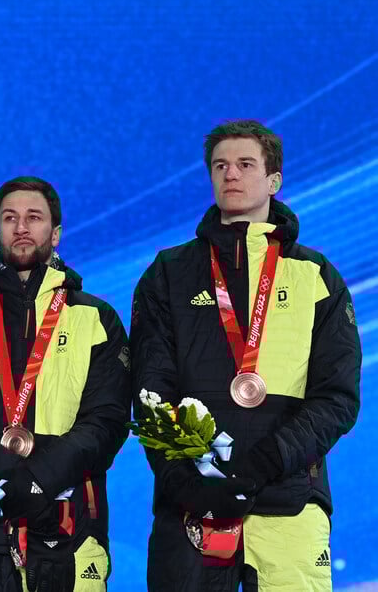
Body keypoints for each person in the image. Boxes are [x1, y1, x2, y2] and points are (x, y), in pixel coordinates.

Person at [130, 119, 361, 591]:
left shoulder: (316, 276)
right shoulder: (169, 273)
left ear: (273, 180)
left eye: (244, 164)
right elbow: (150, 388)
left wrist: (261, 465)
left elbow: (337, 397)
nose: (230, 175)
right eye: (220, 165)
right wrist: (187, 481)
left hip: (290, 499)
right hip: (192, 508)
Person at [0, 177, 131, 592]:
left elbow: (107, 420)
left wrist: (41, 478)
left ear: (55, 233)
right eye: (9, 218)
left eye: (33, 218)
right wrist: (14, 480)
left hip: (70, 519)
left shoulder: (97, 319)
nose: (21, 227)